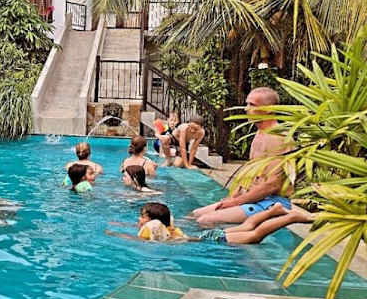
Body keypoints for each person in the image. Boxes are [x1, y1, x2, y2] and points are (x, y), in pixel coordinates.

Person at [190, 87, 292, 226]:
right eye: (247, 104)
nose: (246, 109)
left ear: (268, 109)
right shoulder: (259, 134)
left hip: (272, 203)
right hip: (253, 198)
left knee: (205, 220)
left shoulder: (278, 137)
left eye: (252, 105)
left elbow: (273, 185)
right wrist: (232, 198)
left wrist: (236, 202)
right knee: (195, 214)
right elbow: (249, 176)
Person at [107, 202, 312, 244]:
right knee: (247, 226)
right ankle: (274, 211)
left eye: (142, 217)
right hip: (206, 237)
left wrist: (117, 234)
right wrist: (120, 227)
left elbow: (139, 239)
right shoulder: (165, 227)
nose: (139, 220)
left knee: (254, 235)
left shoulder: (156, 230)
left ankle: (290, 217)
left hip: (210, 240)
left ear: (152, 221)